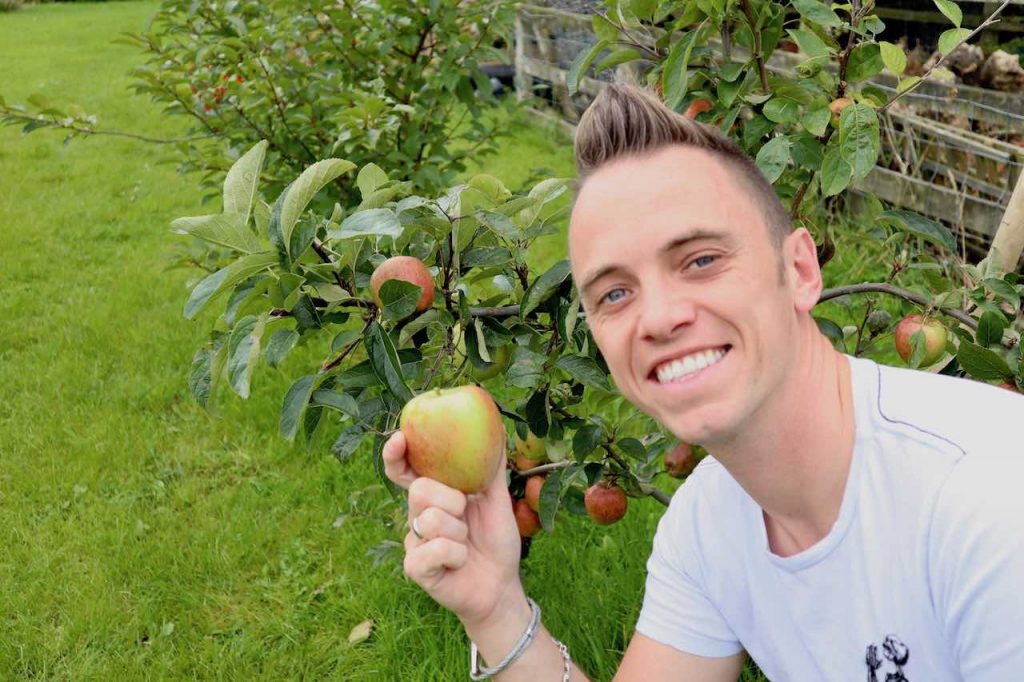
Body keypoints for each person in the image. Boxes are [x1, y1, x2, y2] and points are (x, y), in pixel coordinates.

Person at [382, 83, 1024, 681]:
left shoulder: (988, 500)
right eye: (614, 294)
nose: (658, 318)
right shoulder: (709, 522)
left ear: (800, 269)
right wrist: (495, 607)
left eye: (702, 260)